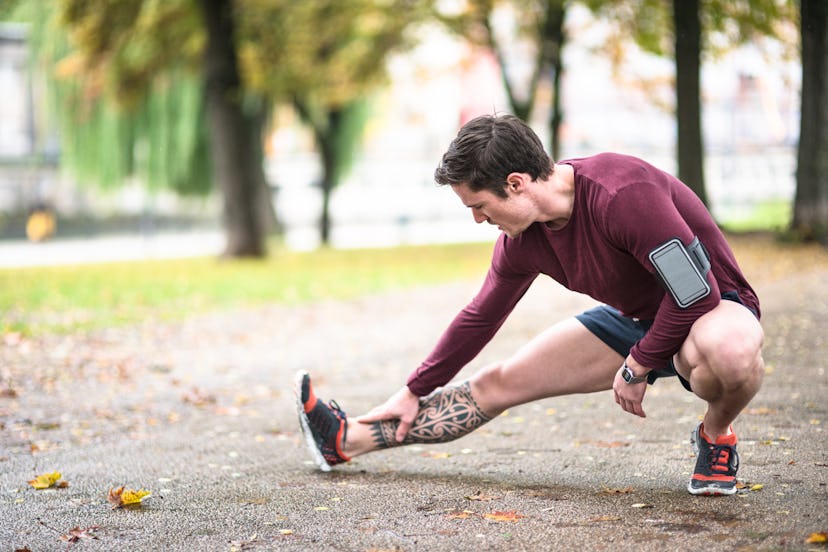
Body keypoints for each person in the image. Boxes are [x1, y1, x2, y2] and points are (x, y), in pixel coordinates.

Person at [295, 113, 764, 496]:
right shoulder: (523, 240)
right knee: (497, 383)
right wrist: (416, 387)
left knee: (725, 355)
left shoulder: (623, 195)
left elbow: (693, 292)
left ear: (516, 183)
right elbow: (480, 317)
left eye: (478, 205)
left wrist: (637, 365)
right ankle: (344, 440)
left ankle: (715, 434)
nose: (479, 219)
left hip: (712, 308)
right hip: (639, 321)